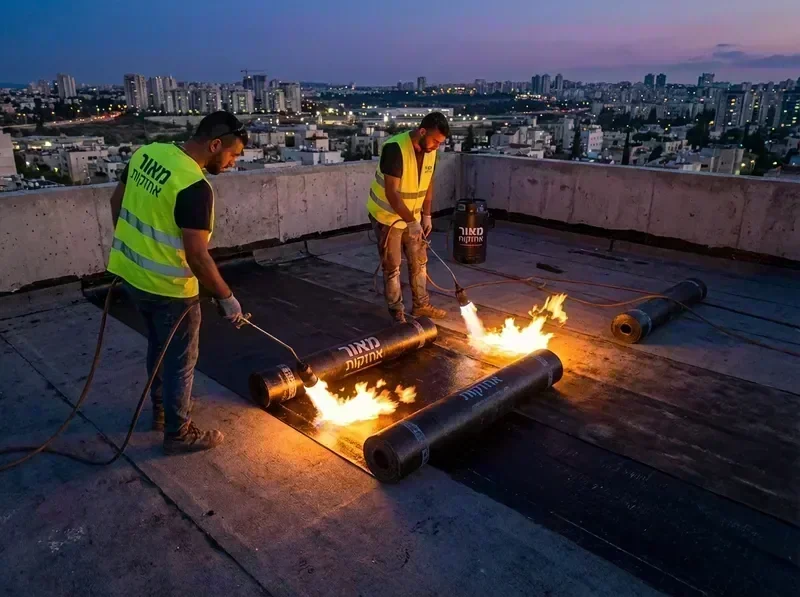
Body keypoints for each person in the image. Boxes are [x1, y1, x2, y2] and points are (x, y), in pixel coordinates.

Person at [106, 111, 248, 454]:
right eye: (232, 155)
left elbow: (116, 202)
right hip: (170, 291)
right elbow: (198, 256)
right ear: (215, 144)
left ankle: (160, 412)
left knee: (157, 345)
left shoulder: (148, 153)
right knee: (181, 361)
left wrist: (134, 250)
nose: (232, 163)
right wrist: (227, 298)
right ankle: (178, 432)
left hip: (131, 278)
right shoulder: (195, 187)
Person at [366, 112, 450, 323]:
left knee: (419, 262)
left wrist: (427, 215)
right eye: (435, 140)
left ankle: (421, 305)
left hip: (412, 218)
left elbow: (428, 182)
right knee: (393, 266)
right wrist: (412, 222)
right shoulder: (395, 148)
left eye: (440, 143)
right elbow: (391, 193)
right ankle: (397, 313)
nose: (436, 146)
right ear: (422, 131)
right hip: (387, 217)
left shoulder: (431, 151)